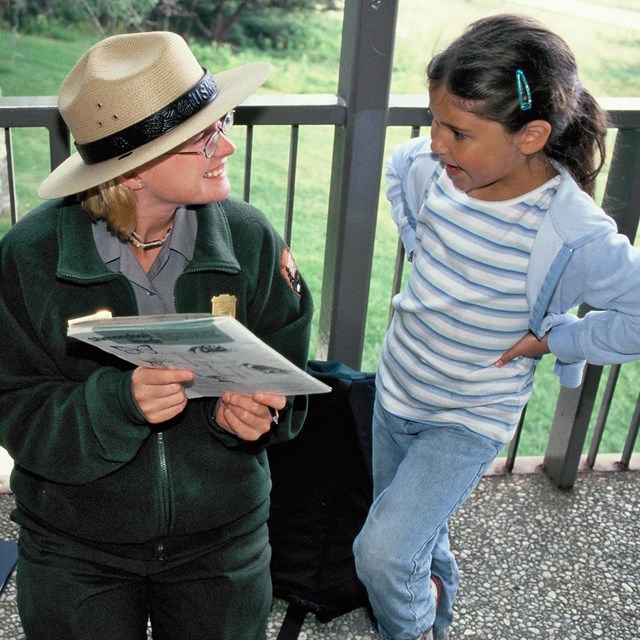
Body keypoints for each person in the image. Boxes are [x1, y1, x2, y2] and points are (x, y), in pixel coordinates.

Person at [0, 31, 313, 640]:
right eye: (202, 137)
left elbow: (291, 375)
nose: (225, 145)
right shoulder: (27, 258)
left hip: (223, 543)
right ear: (133, 170)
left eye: (222, 121)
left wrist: (257, 416)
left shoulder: (251, 241)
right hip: (74, 548)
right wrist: (116, 405)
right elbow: (12, 406)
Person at [353, 13, 640, 640]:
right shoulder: (433, 172)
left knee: (382, 554)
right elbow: (401, 171)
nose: (436, 142)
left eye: (458, 131)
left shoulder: (571, 229)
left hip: (468, 416)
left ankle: (408, 630)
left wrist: (557, 338)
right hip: (396, 393)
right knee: (415, 539)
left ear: (531, 135)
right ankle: (439, 620)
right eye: (435, 122)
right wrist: (424, 247)